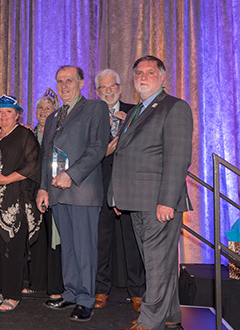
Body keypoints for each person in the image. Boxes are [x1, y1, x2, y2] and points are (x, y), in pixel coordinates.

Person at [112, 56, 193, 330]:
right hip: (135, 201)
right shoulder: (136, 111)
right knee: (159, 264)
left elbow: (178, 158)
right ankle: (169, 316)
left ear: (162, 78)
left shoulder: (174, 107)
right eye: (138, 73)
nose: (143, 77)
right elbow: (122, 155)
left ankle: (149, 323)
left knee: (157, 264)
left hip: (158, 201)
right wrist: (116, 196)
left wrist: (167, 201)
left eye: (149, 72)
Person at [37, 65, 109, 322]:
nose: (64, 85)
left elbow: (98, 147)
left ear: (81, 83)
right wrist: (44, 187)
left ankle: (86, 299)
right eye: (59, 81)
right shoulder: (54, 116)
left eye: (69, 80)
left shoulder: (95, 108)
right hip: (57, 193)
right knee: (68, 247)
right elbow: (46, 155)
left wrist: (72, 174)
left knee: (84, 247)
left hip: (82, 190)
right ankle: (70, 293)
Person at [0, 95, 41, 311]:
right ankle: (2, 289)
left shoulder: (25, 135)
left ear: (17, 114)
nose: (3, 115)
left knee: (13, 246)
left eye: (8, 111)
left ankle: (13, 294)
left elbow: (33, 165)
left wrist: (5, 179)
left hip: (15, 199)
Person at [93, 69, 145, 311]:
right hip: (99, 185)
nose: (108, 91)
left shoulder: (136, 111)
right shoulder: (91, 113)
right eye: (103, 88)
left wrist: (128, 127)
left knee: (131, 241)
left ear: (120, 87)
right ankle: (100, 290)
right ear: (97, 92)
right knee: (101, 242)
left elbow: (145, 146)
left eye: (112, 86)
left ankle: (137, 292)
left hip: (129, 186)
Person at [22, 89, 64, 299]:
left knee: (54, 240)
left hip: (53, 192)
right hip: (30, 194)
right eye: (39, 108)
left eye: (48, 108)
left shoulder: (59, 133)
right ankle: (36, 282)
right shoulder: (28, 133)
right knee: (36, 239)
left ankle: (56, 286)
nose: (43, 111)